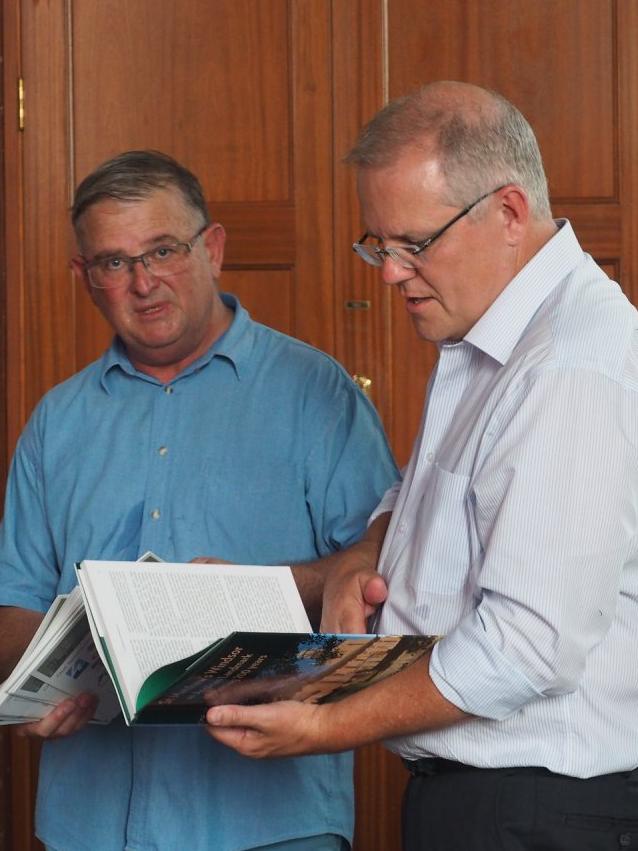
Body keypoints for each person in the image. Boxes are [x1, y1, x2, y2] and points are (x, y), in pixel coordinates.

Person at [203, 81, 638, 851]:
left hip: (541, 810)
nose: (388, 273)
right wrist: (359, 559)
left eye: (413, 243)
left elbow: (525, 646)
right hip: (486, 805)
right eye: (377, 244)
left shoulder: (569, 366)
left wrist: (325, 721)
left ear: (507, 214)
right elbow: (429, 497)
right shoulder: (486, 328)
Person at [0, 150, 399, 851]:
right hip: (86, 825)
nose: (144, 282)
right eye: (114, 263)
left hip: (272, 825)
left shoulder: (317, 393)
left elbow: (384, 576)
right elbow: (15, 603)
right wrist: (27, 693)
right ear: (83, 277)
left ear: (212, 248)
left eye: (163, 250)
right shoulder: (55, 423)